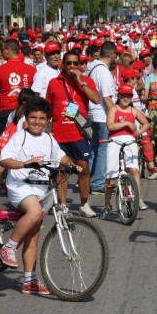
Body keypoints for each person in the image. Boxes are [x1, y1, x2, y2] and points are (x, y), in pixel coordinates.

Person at [0, 98, 82, 295]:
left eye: (42, 118)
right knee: (34, 212)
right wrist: (25, 164)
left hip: (41, 189)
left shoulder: (49, 139)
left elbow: (60, 155)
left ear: (48, 120)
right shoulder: (20, 136)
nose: (37, 121)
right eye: (33, 117)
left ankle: (30, 281)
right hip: (21, 186)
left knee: (33, 236)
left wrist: (72, 164)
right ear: (26, 119)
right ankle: (8, 247)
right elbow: (5, 160)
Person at [46, 51, 100, 217]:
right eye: (68, 63)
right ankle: (63, 205)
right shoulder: (54, 83)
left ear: (79, 65)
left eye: (75, 63)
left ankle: (84, 205)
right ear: (63, 64)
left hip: (79, 133)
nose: (72, 67)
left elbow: (97, 100)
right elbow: (47, 108)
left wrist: (81, 82)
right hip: (60, 134)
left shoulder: (87, 81)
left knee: (84, 170)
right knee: (62, 171)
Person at [100, 83, 150, 219]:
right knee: (110, 175)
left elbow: (146, 123)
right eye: (123, 95)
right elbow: (110, 126)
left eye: (128, 96)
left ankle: (138, 198)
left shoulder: (133, 111)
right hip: (114, 140)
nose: (125, 98)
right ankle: (107, 206)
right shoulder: (114, 109)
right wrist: (126, 123)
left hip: (129, 140)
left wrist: (138, 132)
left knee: (134, 169)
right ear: (119, 96)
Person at [0, 39, 37, 142]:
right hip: (25, 111)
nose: (1, 52)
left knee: (2, 144)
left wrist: (3, 98)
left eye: (2, 49)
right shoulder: (32, 69)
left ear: (7, 51)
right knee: (25, 142)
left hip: (5, 111)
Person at [86, 41, 118, 194]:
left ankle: (85, 179)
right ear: (112, 55)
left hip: (92, 113)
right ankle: (98, 184)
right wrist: (116, 116)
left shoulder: (92, 66)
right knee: (103, 150)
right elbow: (107, 98)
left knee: (94, 149)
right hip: (102, 115)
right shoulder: (104, 72)